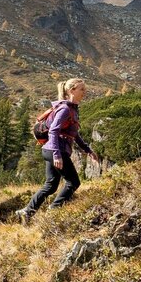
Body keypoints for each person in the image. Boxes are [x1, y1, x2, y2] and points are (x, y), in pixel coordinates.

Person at [16, 79, 98, 224]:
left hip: (50, 149)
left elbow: (74, 133)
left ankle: (27, 212)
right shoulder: (65, 109)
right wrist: (57, 155)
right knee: (73, 182)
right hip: (56, 150)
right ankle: (53, 211)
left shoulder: (72, 109)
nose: (85, 92)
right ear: (71, 90)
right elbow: (53, 131)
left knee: (51, 185)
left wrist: (87, 150)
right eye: (82, 89)